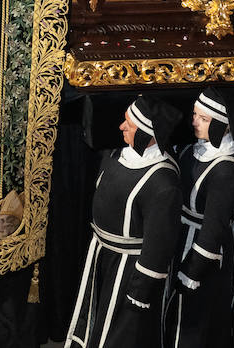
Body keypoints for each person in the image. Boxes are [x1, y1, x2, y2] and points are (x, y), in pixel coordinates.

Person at [65, 96, 180, 347]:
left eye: (129, 123)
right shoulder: (117, 156)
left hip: (129, 270)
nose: (121, 127)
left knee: (123, 333)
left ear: (146, 132)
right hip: (104, 259)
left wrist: (142, 288)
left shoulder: (163, 182)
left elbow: (159, 244)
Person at [166, 89, 234, 348]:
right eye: (195, 115)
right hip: (183, 238)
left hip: (206, 253)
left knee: (197, 318)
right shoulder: (193, 151)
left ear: (222, 123)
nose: (194, 122)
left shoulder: (226, 170)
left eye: (204, 118)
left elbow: (214, 229)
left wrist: (194, 269)